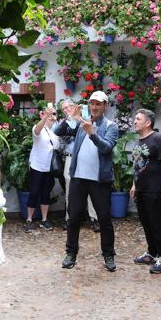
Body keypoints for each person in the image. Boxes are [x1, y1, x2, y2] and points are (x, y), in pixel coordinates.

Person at [54, 91, 119, 271]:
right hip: (78, 178)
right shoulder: (80, 122)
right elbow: (57, 132)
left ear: (105, 106)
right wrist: (70, 118)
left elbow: (107, 148)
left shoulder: (110, 126)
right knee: (73, 217)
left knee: (104, 219)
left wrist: (92, 133)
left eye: (99, 104)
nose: (95, 107)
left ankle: (108, 255)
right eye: (92, 103)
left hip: (99, 181)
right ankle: (70, 253)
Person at [130, 108, 161, 274]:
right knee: (146, 223)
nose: (135, 121)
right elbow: (137, 166)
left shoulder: (158, 139)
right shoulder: (139, 141)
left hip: (156, 190)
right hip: (141, 189)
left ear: (148, 123)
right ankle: (152, 253)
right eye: (135, 119)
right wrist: (134, 185)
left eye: (138, 119)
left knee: (158, 224)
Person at [54, 99, 99, 232]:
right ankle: (70, 219)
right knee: (69, 189)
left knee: (91, 187)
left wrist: (77, 118)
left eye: (69, 106)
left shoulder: (86, 118)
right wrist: (70, 118)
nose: (67, 109)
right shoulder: (65, 123)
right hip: (71, 158)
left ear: (75, 106)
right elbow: (57, 131)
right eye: (64, 108)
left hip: (87, 158)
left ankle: (94, 218)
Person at [22, 107, 59, 233]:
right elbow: (37, 130)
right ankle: (29, 219)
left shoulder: (55, 131)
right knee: (33, 192)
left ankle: (44, 219)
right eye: (49, 114)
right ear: (42, 115)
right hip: (37, 166)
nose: (51, 116)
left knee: (46, 194)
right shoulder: (38, 128)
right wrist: (45, 117)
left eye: (54, 114)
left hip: (49, 168)